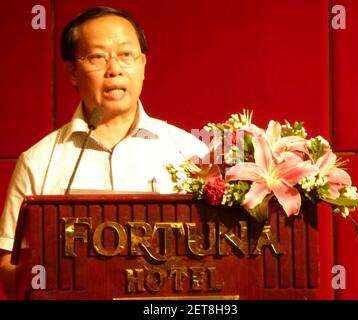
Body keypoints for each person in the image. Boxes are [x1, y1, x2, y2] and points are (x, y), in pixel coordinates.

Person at [0, 6, 208, 298]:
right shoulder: (38, 162)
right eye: (98, 57)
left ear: (144, 64)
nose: (114, 69)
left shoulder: (191, 153)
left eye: (126, 55)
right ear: (72, 71)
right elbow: (10, 267)